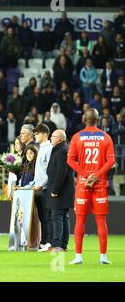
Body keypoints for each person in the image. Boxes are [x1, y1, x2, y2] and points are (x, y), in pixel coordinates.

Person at [67, 108, 115, 265]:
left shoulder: (76, 137)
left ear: (84, 119)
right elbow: (111, 161)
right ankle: (103, 257)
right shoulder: (106, 137)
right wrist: (97, 175)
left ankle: (78, 256)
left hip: (83, 183)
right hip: (100, 183)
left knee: (80, 219)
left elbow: (70, 161)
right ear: (98, 119)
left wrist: (87, 175)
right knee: (101, 220)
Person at [46, 130, 74, 252]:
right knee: (63, 216)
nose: (51, 138)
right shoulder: (61, 149)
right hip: (65, 190)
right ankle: (62, 244)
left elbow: (61, 172)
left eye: (53, 136)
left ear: (60, 139)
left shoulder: (62, 151)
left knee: (57, 216)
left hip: (60, 190)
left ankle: (57, 244)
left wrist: (55, 189)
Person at [32, 124, 53, 252]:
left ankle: (48, 242)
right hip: (38, 188)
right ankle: (44, 241)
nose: (35, 136)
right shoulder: (40, 148)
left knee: (47, 217)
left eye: (37, 134)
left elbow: (50, 171)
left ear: (45, 134)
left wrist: (42, 184)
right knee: (42, 217)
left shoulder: (49, 148)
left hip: (44, 188)